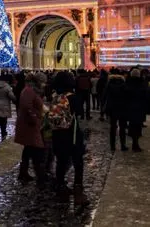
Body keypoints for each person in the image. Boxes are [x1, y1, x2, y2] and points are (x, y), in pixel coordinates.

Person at [49, 71, 89, 206]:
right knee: (78, 162)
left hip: (57, 134)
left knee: (61, 161)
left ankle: (60, 187)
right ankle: (78, 191)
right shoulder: (73, 97)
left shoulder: (55, 97)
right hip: (72, 134)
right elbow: (79, 113)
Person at [15, 73, 45, 186]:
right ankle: (40, 177)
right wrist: (35, 119)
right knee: (37, 150)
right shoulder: (29, 91)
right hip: (30, 126)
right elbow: (27, 108)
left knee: (28, 149)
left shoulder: (30, 90)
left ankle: (23, 172)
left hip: (29, 125)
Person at [103, 69, 128, 151]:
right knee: (122, 127)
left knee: (113, 127)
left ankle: (112, 146)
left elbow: (104, 96)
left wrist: (103, 108)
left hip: (112, 108)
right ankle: (123, 145)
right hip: (122, 107)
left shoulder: (109, 84)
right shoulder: (124, 84)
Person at [125, 69, 147, 152]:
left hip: (130, 108)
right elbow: (146, 97)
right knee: (138, 126)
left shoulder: (127, 83)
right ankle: (135, 144)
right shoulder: (142, 84)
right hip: (139, 108)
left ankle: (134, 142)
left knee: (132, 125)